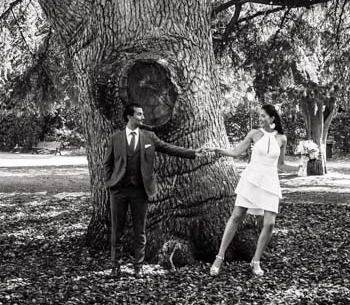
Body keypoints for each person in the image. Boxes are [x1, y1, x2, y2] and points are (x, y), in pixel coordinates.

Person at [103, 103, 199, 278]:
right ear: (129, 117)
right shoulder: (115, 138)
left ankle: (138, 267)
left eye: (142, 114)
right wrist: (111, 182)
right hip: (119, 191)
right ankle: (115, 266)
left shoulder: (149, 137)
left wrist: (193, 153)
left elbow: (169, 148)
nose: (143, 117)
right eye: (139, 114)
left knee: (140, 230)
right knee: (117, 229)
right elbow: (107, 163)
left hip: (141, 191)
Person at [201, 103, 296, 277]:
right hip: (251, 179)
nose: (260, 119)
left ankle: (256, 260)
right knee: (236, 216)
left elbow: (281, 165)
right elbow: (237, 152)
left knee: (269, 223)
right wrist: (217, 150)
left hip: (270, 181)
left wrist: (299, 167)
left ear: (272, 118)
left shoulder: (282, 138)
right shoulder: (254, 134)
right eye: (259, 116)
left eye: (263, 116)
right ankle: (219, 257)